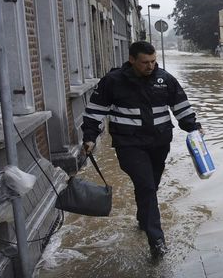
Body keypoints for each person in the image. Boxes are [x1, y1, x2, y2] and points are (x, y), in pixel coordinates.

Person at [81, 41, 202, 259]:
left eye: (153, 61)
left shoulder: (164, 80)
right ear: (132, 60)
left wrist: (194, 128)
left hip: (159, 143)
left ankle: (142, 217)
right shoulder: (113, 81)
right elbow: (95, 111)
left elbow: (181, 107)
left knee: (150, 186)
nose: (150, 66)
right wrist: (89, 137)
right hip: (129, 145)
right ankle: (157, 241)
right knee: (146, 185)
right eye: (145, 62)